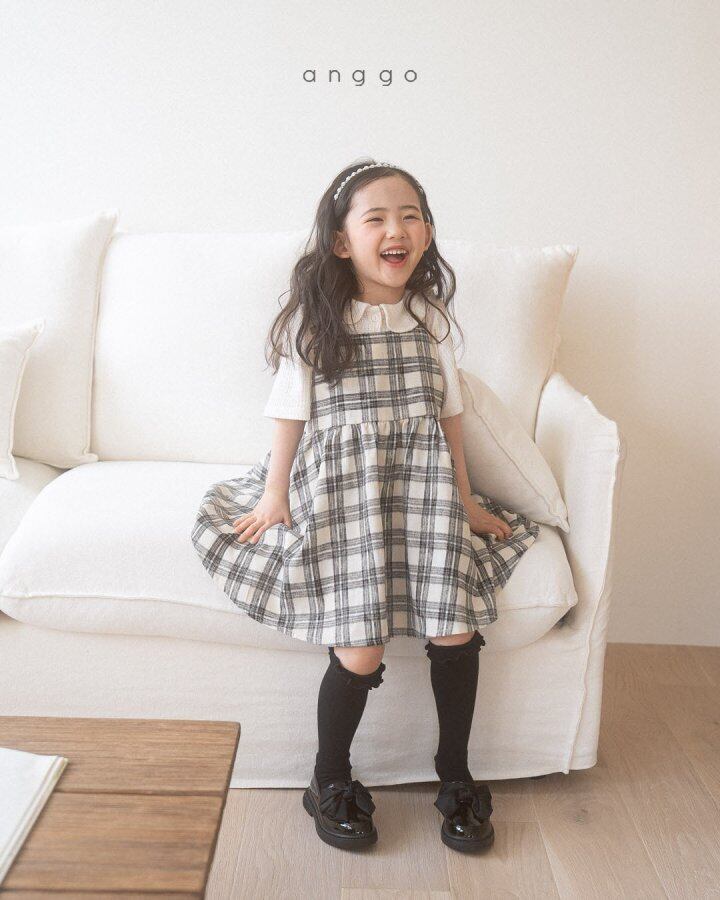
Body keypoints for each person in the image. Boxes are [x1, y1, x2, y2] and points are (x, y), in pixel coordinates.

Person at [191, 159, 540, 853]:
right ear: (341, 241)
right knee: (360, 646)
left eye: (410, 216)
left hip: (424, 491)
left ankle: (455, 775)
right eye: (376, 218)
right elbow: (290, 412)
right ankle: (329, 779)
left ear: (427, 233)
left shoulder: (429, 318)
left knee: (455, 629)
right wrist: (275, 493)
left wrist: (464, 499)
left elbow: (449, 415)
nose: (396, 229)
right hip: (343, 495)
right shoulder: (319, 322)